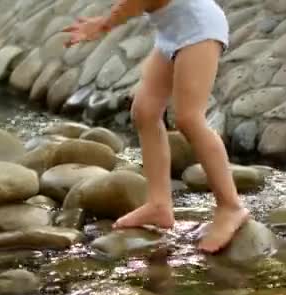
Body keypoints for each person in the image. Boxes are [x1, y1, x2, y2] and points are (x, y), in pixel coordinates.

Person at [62, 0, 250, 253]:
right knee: (145, 112)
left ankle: (231, 206)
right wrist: (105, 20)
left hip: (198, 27)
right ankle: (159, 204)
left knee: (189, 118)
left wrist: (104, 24)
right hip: (171, 30)